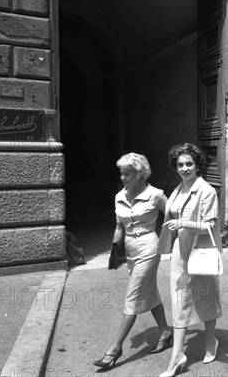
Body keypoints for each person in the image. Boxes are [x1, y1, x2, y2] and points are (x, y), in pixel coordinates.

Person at [93, 153, 171, 369]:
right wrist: (114, 252)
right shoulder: (119, 196)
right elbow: (119, 227)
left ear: (140, 173)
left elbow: (173, 216)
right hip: (130, 250)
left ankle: (115, 349)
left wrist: (167, 243)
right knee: (150, 293)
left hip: (148, 248)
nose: (123, 178)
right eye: (121, 173)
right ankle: (165, 331)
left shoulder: (156, 195)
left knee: (133, 296)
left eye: (127, 174)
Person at [158, 143, 223, 377]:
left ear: (197, 165)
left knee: (206, 297)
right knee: (179, 300)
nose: (184, 168)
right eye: (180, 164)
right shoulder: (177, 190)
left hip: (201, 252)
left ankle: (210, 341)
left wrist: (184, 223)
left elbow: (210, 226)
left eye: (189, 164)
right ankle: (177, 356)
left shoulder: (206, 190)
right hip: (180, 252)